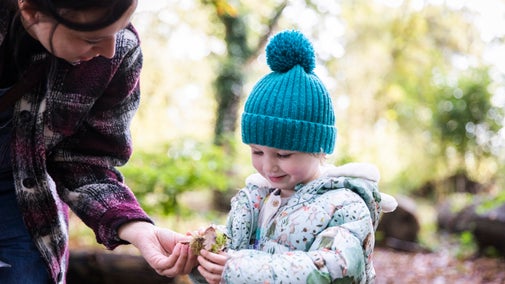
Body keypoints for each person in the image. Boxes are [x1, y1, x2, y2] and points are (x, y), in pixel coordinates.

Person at [0, 1, 196, 283]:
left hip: (21, 200)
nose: (109, 50)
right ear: (31, 11)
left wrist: (137, 228)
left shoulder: (119, 55)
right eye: (91, 38)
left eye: (119, 28)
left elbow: (86, 161)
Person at [193, 30, 398, 283]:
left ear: (320, 149)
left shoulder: (345, 206)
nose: (268, 166)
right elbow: (238, 251)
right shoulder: (256, 199)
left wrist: (240, 270)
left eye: (283, 154)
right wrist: (206, 256)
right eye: (256, 151)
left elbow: (335, 269)